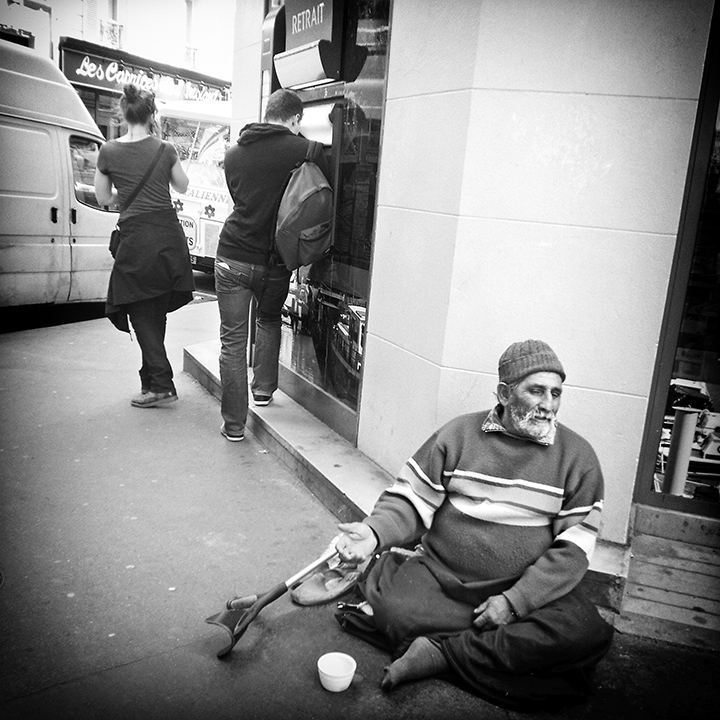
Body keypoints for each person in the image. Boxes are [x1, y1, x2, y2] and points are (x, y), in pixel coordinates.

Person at [332, 339, 614, 709]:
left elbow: (575, 549)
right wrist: (372, 533)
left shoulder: (578, 458)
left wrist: (514, 603)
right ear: (504, 393)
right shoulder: (458, 436)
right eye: (536, 391)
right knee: (397, 611)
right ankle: (475, 654)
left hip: (519, 589)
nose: (548, 405)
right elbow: (411, 500)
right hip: (444, 579)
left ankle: (442, 655)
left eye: (556, 393)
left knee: (585, 632)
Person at [214, 89, 331, 442]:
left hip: (232, 255)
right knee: (267, 319)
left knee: (233, 343)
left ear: (267, 113)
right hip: (275, 261)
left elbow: (241, 200)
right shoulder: (307, 150)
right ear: (295, 119)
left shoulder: (233, 154)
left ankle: (234, 425)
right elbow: (321, 196)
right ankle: (263, 390)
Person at [94, 84, 194, 408]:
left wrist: (125, 191)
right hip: (167, 236)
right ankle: (150, 380)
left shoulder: (108, 152)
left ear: (123, 113)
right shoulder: (165, 149)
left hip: (136, 238)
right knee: (155, 308)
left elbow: (103, 197)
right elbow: (182, 186)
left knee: (138, 308)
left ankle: (161, 383)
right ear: (152, 115)